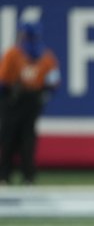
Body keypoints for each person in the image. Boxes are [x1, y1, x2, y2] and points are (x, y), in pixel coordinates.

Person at [0, 21, 60, 185]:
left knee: (10, 138)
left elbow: (3, 81)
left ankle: (6, 176)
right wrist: (44, 94)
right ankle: (27, 176)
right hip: (31, 99)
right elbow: (54, 81)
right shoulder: (46, 56)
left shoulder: (13, 54)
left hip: (14, 99)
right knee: (27, 138)